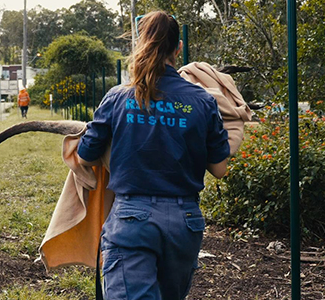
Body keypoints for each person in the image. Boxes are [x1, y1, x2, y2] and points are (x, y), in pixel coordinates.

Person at [76, 11, 230, 300]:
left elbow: (85, 156)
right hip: (185, 223)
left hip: (132, 221)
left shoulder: (119, 97)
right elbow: (220, 169)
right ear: (178, 48)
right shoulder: (204, 101)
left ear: (141, 44)